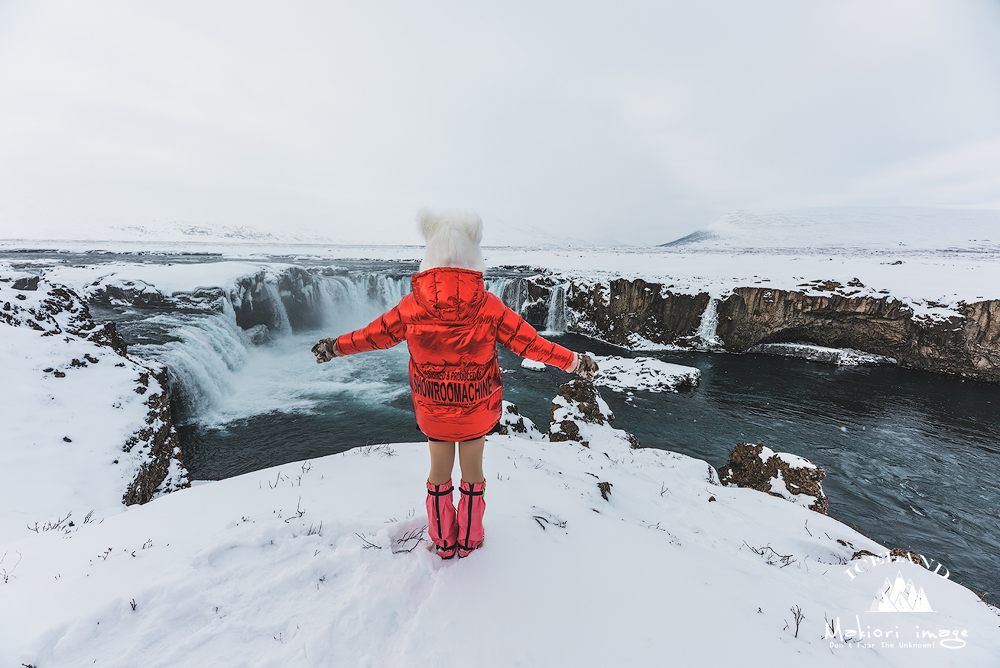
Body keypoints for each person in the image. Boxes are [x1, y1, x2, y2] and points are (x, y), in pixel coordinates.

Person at [312, 210, 598, 559]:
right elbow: (531, 344)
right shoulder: (489, 306)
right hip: (477, 408)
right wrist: (574, 361)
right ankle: (471, 539)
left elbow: (374, 336)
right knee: (474, 472)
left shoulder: (411, 306)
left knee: (438, 473)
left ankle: (444, 542)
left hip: (433, 409)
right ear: (471, 255)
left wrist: (335, 346)